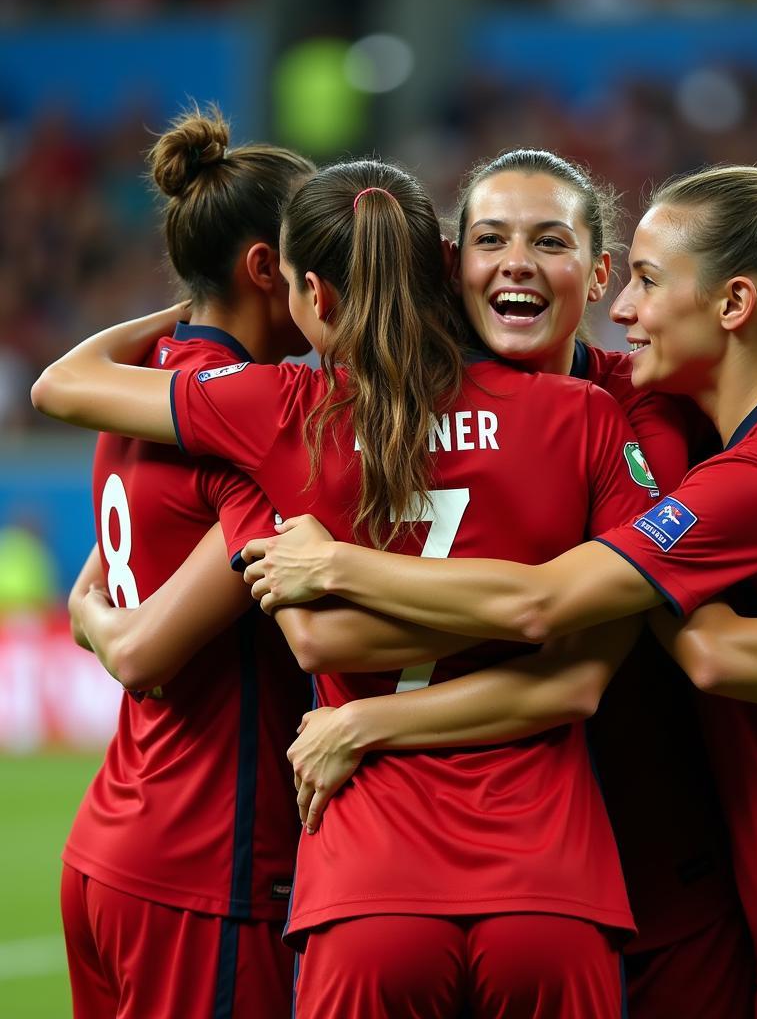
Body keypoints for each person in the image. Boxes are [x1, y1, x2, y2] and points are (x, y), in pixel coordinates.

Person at [240, 161, 757, 1018]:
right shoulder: (392, 402)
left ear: (597, 272)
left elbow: (601, 624)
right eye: (490, 240)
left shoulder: (652, 406)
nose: (627, 309)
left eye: (558, 244)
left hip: (719, 898)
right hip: (584, 885)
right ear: (451, 263)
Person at [34, 157, 661, 1019]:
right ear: (445, 263)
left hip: (360, 876)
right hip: (551, 878)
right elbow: (598, 637)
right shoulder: (596, 416)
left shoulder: (287, 409)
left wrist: (194, 300)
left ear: (311, 296)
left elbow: (62, 386)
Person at [40, 107, 315, 1019]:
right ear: (269, 270)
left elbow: (98, 585)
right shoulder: (256, 417)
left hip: (111, 843)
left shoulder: (146, 382)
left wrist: (195, 298)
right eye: (316, 261)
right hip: (207, 867)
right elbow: (147, 651)